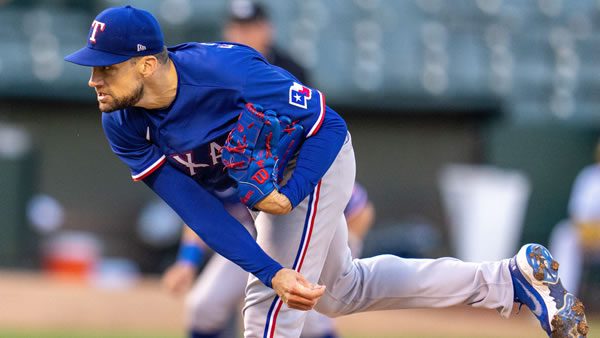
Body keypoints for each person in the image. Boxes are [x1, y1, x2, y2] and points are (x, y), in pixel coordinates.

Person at [64, 5, 588, 338]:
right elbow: (196, 207)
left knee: (267, 310)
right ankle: (507, 280)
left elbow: (329, 124)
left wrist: (289, 196)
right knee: (340, 294)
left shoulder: (229, 73)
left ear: (148, 64)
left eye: (106, 67)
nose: (94, 80)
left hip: (313, 160)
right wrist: (270, 265)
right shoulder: (123, 122)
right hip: (266, 194)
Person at [162, 183, 374, 338]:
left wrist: (336, 264)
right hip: (252, 245)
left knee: (310, 323)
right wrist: (186, 262)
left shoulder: (289, 157)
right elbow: (199, 214)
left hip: (302, 247)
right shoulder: (212, 165)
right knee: (204, 306)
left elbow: (360, 210)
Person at [549, 139, 600, 296]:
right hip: (591, 238)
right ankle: (560, 301)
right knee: (565, 235)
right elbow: (578, 217)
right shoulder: (591, 177)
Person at [222, 0, 308, 85]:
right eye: (237, 29)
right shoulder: (217, 68)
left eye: (251, 28)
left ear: (267, 29)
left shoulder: (290, 71)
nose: (243, 36)